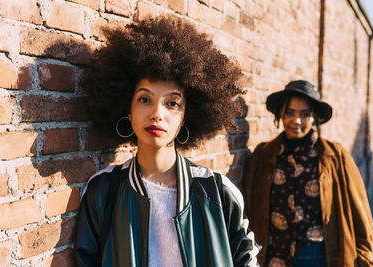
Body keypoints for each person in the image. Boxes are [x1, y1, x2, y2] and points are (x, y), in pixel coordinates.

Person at [74, 17, 260, 266]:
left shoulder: (218, 192)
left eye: (172, 103)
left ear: (185, 116)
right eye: (144, 99)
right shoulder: (103, 191)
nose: (157, 113)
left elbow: (246, 259)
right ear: (127, 110)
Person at [243, 80, 373, 267]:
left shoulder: (334, 156)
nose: (296, 121)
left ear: (314, 118)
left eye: (304, 115)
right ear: (281, 113)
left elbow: (360, 213)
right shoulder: (263, 156)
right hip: (274, 254)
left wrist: (364, 258)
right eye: (290, 112)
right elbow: (248, 208)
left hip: (317, 256)